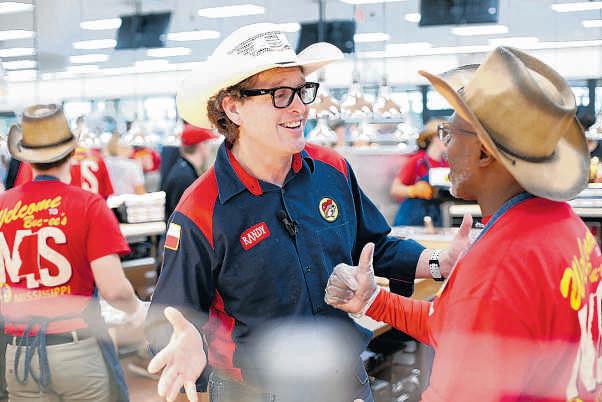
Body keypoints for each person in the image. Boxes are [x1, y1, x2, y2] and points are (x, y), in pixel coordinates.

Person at [144, 23, 470, 402]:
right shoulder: (201, 209)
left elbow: (373, 246)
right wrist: (181, 340)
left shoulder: (332, 169)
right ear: (234, 108)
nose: (300, 106)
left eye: (302, 90)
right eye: (280, 94)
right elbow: (169, 319)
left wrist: (438, 262)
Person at [325, 47, 602, 401]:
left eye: (450, 133)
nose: (446, 149)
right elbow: (452, 325)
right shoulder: (567, 227)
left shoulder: (499, 268)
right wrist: (374, 300)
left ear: (484, 151)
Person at [0, 104, 147, 401]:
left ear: (26, 158)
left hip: (19, 351)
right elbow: (114, 290)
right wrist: (137, 310)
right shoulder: (89, 205)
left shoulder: (3, 205)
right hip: (75, 346)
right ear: (70, 152)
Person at [390, 119, 448, 227]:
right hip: (410, 219)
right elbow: (395, 189)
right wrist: (413, 190)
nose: (448, 140)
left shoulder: (447, 165)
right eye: (444, 136)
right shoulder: (417, 161)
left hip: (435, 217)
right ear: (433, 137)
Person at [161, 122, 218, 221]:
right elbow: (183, 219)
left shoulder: (183, 170)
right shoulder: (184, 178)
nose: (210, 148)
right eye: (208, 143)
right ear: (201, 145)